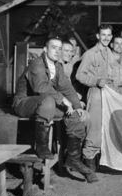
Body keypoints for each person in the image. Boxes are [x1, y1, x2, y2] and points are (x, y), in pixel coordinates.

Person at [12, 37, 98, 183]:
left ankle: (73, 158)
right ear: (45, 49)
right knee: (49, 101)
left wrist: (77, 107)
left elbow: (67, 88)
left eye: (59, 48)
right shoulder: (37, 64)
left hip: (45, 105)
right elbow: (40, 88)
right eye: (54, 47)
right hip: (24, 104)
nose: (57, 51)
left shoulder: (57, 66)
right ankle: (42, 146)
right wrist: (63, 100)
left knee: (75, 115)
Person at [76, 24, 114, 171]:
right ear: (98, 36)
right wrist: (96, 81)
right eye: (103, 35)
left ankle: (99, 159)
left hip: (109, 94)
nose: (106, 38)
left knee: (106, 126)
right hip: (96, 93)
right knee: (94, 128)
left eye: (108, 35)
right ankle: (88, 159)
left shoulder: (109, 52)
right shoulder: (90, 54)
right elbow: (80, 75)